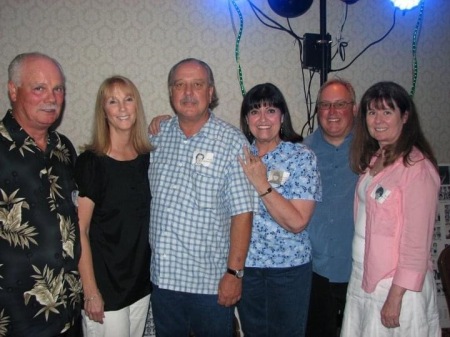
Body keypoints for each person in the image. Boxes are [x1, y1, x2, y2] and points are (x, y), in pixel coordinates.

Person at [148, 58, 255, 337]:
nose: (187, 92)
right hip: (163, 280)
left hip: (210, 284)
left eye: (197, 84)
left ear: (210, 92)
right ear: (171, 92)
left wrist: (234, 274)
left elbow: (242, 214)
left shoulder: (232, 142)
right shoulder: (155, 138)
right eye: (179, 85)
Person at [341, 81, 441, 337]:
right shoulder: (376, 158)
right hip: (364, 275)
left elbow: (416, 243)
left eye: (387, 112)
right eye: (372, 112)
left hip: (396, 286)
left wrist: (395, 297)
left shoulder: (417, 169)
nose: (378, 119)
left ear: (405, 116)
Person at [0, 52, 82, 336]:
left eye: (58, 89)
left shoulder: (64, 148)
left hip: (69, 312)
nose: (52, 97)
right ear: (13, 90)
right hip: (15, 318)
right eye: (39, 88)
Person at [237, 83, 322, 337]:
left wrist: (261, 183)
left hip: (289, 270)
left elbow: (297, 222)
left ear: (282, 116)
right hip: (247, 268)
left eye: (271, 110)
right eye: (254, 112)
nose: (262, 119)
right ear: (246, 119)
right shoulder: (239, 154)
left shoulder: (301, 157)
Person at [74, 76, 153, 337]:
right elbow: (80, 230)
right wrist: (91, 292)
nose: (122, 108)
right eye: (113, 101)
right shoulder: (91, 163)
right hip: (105, 290)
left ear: (136, 106)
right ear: (103, 111)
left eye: (128, 99)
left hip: (140, 285)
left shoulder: (146, 159)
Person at [303, 78, 358, 337]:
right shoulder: (301, 153)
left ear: (354, 108)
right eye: (325, 105)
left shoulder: (374, 150)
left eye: (340, 104)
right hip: (315, 272)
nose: (332, 112)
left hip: (361, 270)